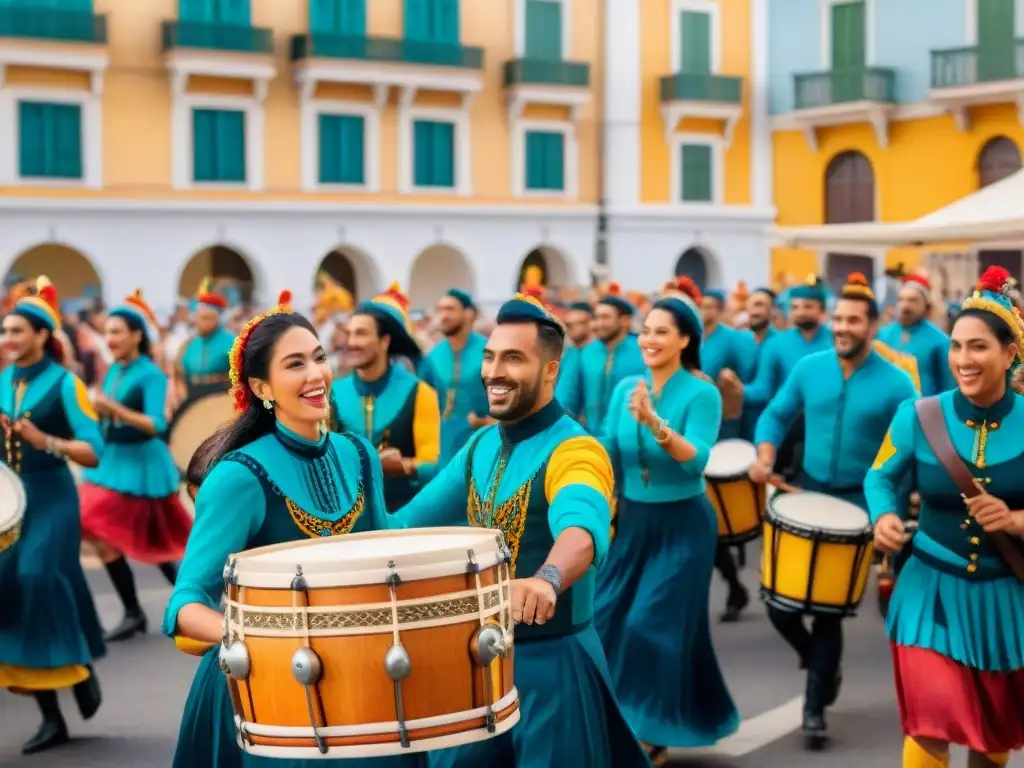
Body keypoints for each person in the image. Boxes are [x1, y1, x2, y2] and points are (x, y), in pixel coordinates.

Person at [388, 293, 651, 767]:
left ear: (550, 371)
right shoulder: (480, 445)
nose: (494, 372)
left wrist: (547, 579)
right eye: (490, 357)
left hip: (553, 668)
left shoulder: (575, 449)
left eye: (514, 359)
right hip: (478, 664)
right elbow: (400, 525)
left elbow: (582, 525)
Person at [162, 290, 417, 768]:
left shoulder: (359, 454)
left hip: (360, 683)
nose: (316, 374)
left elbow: (389, 553)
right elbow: (185, 603)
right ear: (262, 388)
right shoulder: (238, 477)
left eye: (319, 357)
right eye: (295, 364)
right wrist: (256, 642)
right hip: (265, 693)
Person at [865, 265, 1024, 768]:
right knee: (930, 723)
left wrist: (1017, 520)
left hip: (1006, 597)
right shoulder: (918, 414)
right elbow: (881, 477)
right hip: (927, 591)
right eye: (956, 345)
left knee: (991, 738)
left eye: (978, 347)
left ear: (1010, 353)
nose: (962, 359)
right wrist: (884, 517)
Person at [749, 272, 917, 739]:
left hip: (860, 507)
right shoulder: (809, 368)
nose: (843, 327)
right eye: (838, 318)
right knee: (778, 603)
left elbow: (913, 449)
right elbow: (777, 414)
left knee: (827, 609)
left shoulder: (899, 384)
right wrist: (765, 452)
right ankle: (819, 664)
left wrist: (899, 511)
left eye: (854, 321)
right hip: (808, 493)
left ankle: (814, 703)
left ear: (873, 325)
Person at [595, 290, 739, 763]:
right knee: (606, 618)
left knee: (649, 624)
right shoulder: (624, 389)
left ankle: (650, 729)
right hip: (634, 522)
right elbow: (608, 451)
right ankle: (618, 717)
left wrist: (655, 423)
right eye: (646, 331)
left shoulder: (703, 393)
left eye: (661, 332)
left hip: (683, 526)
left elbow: (695, 460)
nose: (649, 339)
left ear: (684, 340)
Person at [0, 276, 105, 754]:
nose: (8, 340)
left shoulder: (67, 384)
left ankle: (79, 666)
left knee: (38, 574)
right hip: (10, 502)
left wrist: (48, 442)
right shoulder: (2, 381)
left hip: (54, 497)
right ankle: (50, 715)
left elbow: (93, 451)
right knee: (12, 587)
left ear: (43, 335)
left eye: (18, 331)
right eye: (4, 332)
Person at [78, 290, 192, 642]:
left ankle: (190, 600)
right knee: (106, 532)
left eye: (118, 332)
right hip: (111, 463)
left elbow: (157, 424)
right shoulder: (112, 371)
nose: (110, 339)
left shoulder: (150, 375)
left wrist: (117, 410)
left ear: (136, 336)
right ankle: (133, 611)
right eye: (108, 332)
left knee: (159, 544)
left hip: (142, 467)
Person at [331, 283, 441, 512]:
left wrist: (404, 466)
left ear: (385, 341)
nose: (351, 342)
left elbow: (433, 467)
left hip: (405, 517)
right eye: (349, 334)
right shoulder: (334, 393)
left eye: (361, 334)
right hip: (349, 519)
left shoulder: (420, 393)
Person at [556, 283, 645, 435]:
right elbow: (568, 399)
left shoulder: (641, 351)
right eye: (596, 318)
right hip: (594, 439)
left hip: (632, 441)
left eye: (605, 317)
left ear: (624, 320)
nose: (598, 324)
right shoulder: (586, 353)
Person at [426, 288, 489, 465]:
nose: (443, 316)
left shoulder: (490, 350)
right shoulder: (434, 355)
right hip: (443, 448)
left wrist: (492, 421)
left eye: (450, 309)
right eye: (441, 310)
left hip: (482, 444)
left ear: (469, 313)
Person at [876, 273, 956, 396]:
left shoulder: (940, 341)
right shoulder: (882, 335)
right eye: (901, 300)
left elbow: (949, 390)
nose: (905, 305)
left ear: (926, 305)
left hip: (923, 411)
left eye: (912, 300)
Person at [174, 277, 236, 404]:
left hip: (222, 400)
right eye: (199, 317)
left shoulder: (233, 343)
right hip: (192, 400)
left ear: (218, 318)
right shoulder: (189, 344)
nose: (201, 322)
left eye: (207, 318)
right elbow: (178, 375)